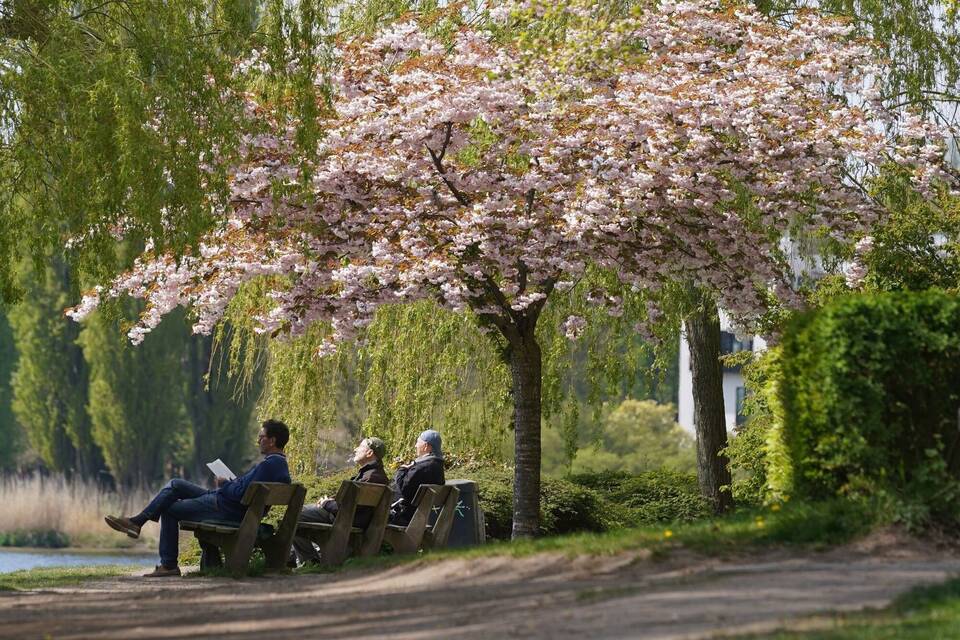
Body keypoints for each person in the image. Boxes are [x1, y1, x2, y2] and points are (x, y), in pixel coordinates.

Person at [104, 419, 292, 577]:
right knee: (176, 484)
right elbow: (245, 491)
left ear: (272, 440)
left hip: (225, 508)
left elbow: (240, 494)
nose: (258, 440)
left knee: (169, 509)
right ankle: (137, 522)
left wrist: (225, 484)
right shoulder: (278, 465)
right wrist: (231, 484)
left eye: (261, 437)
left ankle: (167, 563)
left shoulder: (268, 466)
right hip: (228, 503)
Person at [291, 436, 389, 565]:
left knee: (295, 513)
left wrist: (327, 504)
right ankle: (309, 559)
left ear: (369, 453)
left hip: (344, 519)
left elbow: (348, 509)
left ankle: (310, 560)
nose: (355, 449)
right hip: (349, 518)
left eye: (360, 447)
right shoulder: (375, 475)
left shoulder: (370, 477)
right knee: (300, 513)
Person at [390, 429, 445, 526]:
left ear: (426, 446)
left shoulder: (422, 467)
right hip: (419, 516)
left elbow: (403, 487)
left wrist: (402, 469)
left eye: (418, 442)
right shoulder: (438, 467)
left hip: (403, 516)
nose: (415, 445)